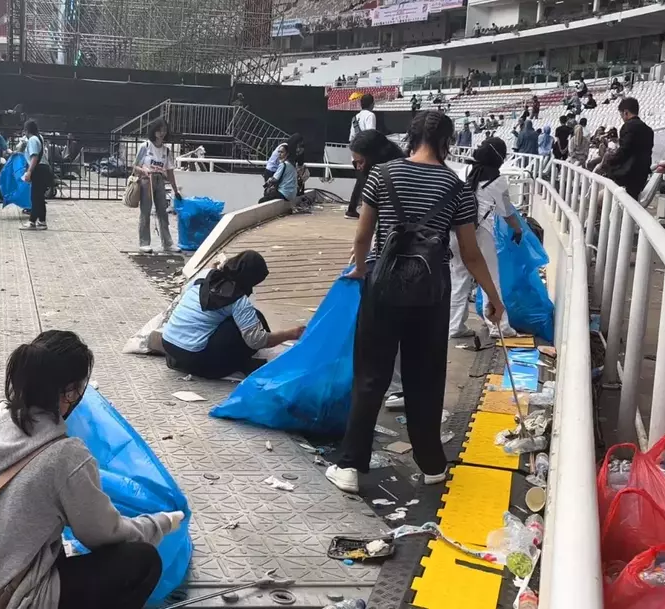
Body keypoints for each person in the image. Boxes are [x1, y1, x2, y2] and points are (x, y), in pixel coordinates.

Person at [324, 111, 504, 493]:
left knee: (371, 376)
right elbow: (470, 254)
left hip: (384, 287)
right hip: (431, 294)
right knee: (425, 378)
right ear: (446, 142)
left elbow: (362, 236)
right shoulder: (457, 188)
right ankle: (432, 465)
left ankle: (350, 466)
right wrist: (493, 296)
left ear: (412, 137)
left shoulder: (382, 175)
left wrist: (361, 270)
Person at [0, 330, 182, 609]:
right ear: (71, 392)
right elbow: (103, 535)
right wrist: (161, 522)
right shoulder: (65, 455)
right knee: (141, 560)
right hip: (10, 597)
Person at [162, 251, 304, 379]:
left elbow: (183, 296)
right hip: (195, 357)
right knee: (250, 324)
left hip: (168, 344)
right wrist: (290, 334)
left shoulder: (205, 275)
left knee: (249, 318)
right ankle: (231, 365)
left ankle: (181, 361)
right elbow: (256, 341)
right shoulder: (238, 300)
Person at [448, 137, 520, 339]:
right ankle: (499, 327)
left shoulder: (464, 172)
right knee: (489, 279)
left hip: (456, 232)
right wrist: (518, 230)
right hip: (481, 235)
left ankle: (455, 326)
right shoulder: (497, 181)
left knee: (459, 278)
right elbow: (507, 212)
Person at [132, 118, 181, 252]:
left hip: (160, 181)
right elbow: (134, 166)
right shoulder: (145, 146)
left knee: (162, 212)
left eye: (164, 130)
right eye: (159, 130)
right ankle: (144, 242)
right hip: (146, 180)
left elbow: (170, 172)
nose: (162, 133)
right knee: (145, 211)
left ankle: (168, 243)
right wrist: (144, 171)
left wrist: (175, 189)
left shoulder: (166, 151)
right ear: (154, 131)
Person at [345, 130, 406, 220]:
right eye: (355, 163)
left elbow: (364, 231)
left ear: (374, 157)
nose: (358, 167)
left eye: (361, 162)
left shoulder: (380, 178)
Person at [601, 98, 654, 200]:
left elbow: (624, 152)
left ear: (625, 112)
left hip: (627, 176)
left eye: (621, 115)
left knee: (599, 201)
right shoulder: (649, 130)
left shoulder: (628, 127)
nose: (622, 118)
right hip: (641, 176)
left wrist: (610, 161)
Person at [20, 120, 53, 230]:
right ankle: (42, 221)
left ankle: (32, 221)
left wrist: (29, 171)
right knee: (39, 197)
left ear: (27, 130)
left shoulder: (32, 140)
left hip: (38, 169)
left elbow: (34, 157)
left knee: (35, 197)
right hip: (44, 168)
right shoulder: (39, 137)